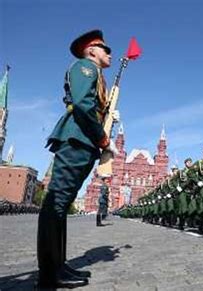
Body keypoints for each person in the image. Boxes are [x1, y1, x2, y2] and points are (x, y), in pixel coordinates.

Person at [37, 29, 119, 288]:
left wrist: (107, 118)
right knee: (56, 203)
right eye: (105, 48)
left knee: (61, 204)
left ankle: (58, 265)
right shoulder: (86, 67)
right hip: (78, 138)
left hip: (84, 139)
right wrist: (103, 139)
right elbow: (83, 105)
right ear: (91, 50)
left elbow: (90, 106)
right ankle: (49, 274)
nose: (109, 53)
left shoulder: (97, 75)